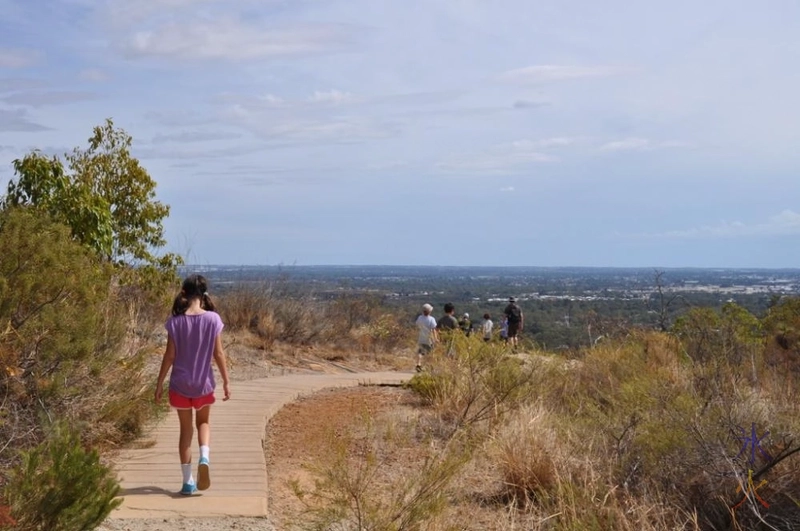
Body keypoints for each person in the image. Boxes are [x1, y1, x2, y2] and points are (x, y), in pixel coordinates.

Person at [155, 274, 231, 496]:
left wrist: (159, 383)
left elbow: (169, 356)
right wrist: (226, 381)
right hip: (203, 385)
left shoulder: (175, 322)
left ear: (184, 294)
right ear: (204, 294)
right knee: (203, 423)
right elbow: (218, 353)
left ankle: (188, 482)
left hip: (179, 385)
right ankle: (205, 456)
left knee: (185, 431)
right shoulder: (213, 320)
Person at [415, 303, 438, 372]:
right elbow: (433, 329)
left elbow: (417, 326)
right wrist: (435, 338)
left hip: (421, 337)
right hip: (429, 338)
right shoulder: (431, 319)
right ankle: (430, 366)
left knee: (420, 352)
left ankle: (418, 364)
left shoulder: (420, 318)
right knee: (430, 352)